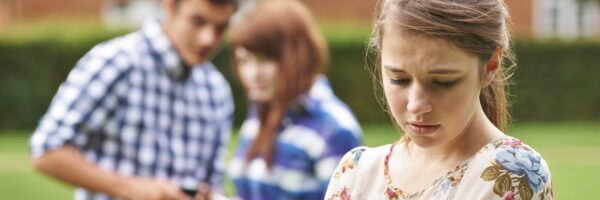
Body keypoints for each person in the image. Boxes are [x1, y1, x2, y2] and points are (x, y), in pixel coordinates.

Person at [325, 0, 553, 199]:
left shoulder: (508, 173)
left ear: (490, 66)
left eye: (443, 82)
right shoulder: (356, 172)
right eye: (399, 79)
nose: (416, 105)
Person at [29, 0, 237, 199]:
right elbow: (47, 151)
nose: (208, 39)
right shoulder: (116, 63)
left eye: (221, 28)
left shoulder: (215, 89)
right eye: (198, 21)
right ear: (169, 6)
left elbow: (212, 182)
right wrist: (132, 189)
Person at [226, 0, 363, 199]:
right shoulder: (262, 110)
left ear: (297, 55)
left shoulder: (334, 128)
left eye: (264, 60)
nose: (253, 74)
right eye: (244, 60)